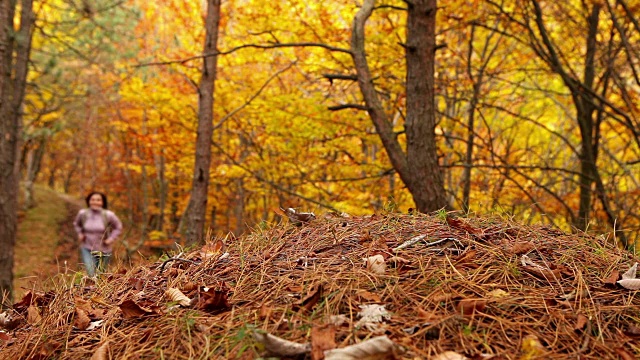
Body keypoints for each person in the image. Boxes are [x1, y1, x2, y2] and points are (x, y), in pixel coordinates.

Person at [73, 191, 123, 277]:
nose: (95, 202)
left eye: (98, 200)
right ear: (88, 201)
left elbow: (118, 227)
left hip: (104, 250)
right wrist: (80, 234)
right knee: (91, 272)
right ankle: (90, 289)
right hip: (87, 248)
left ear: (103, 202)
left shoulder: (108, 215)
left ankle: (100, 290)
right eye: (92, 199)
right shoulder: (83, 214)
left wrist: (111, 239)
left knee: (101, 274)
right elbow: (76, 224)